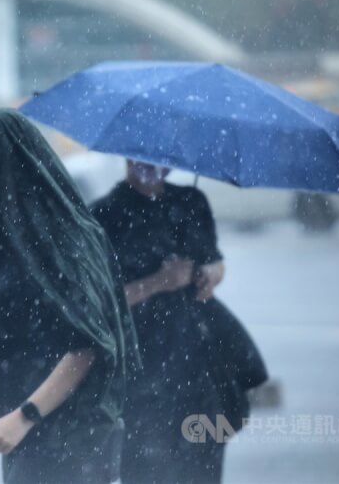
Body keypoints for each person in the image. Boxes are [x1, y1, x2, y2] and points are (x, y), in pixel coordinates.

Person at [0, 109, 139, 484]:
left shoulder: (66, 239)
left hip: (74, 435)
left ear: (12, 164)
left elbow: (87, 346)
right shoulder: (6, 243)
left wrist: (24, 416)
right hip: (30, 434)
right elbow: (24, 338)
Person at [91, 160, 268, 484]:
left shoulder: (191, 202)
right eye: (141, 156)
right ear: (127, 156)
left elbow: (214, 262)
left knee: (204, 467)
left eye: (158, 158)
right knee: (149, 470)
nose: (150, 165)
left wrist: (210, 275)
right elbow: (100, 305)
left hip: (199, 366)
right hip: (142, 375)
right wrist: (159, 282)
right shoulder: (104, 215)